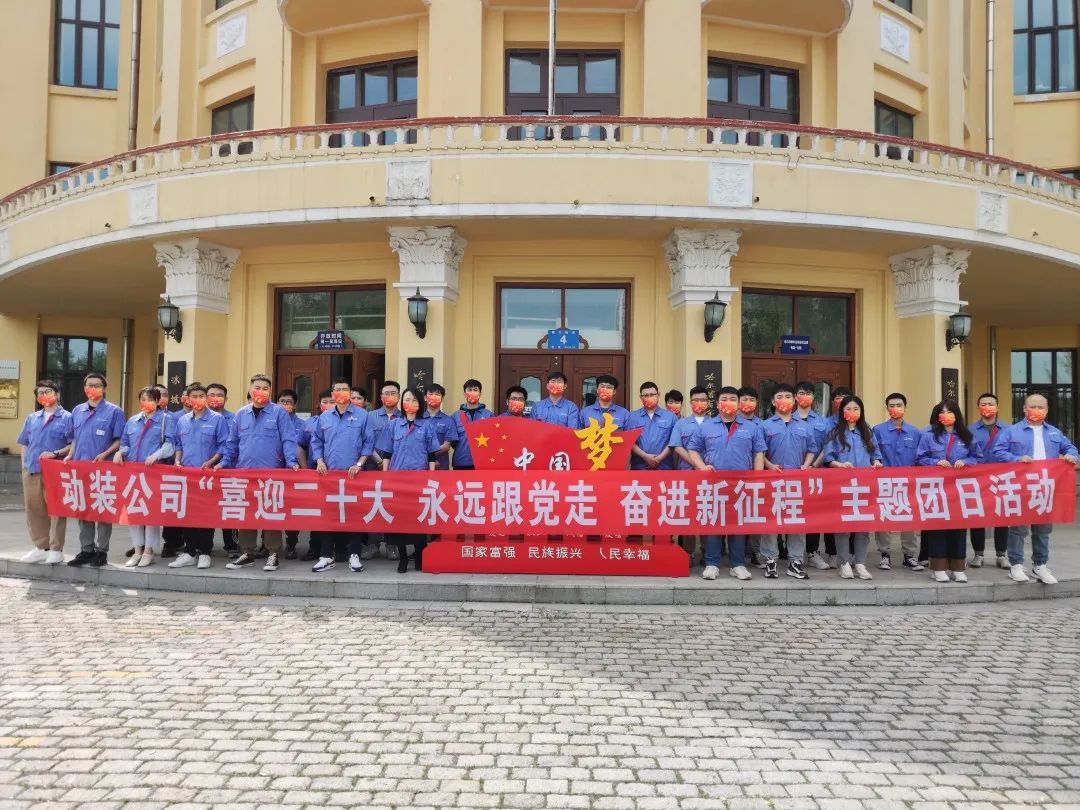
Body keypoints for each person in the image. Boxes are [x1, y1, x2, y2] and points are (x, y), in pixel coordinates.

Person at [992, 392, 1079, 584]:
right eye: (1033, 407)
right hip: (1020, 487)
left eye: (1041, 407)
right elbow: (997, 452)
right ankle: (1016, 564)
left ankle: (1040, 565)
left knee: (1043, 529)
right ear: (1024, 409)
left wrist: (1071, 456)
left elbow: (1071, 449)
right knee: (1018, 528)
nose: (1037, 410)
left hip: (1045, 487)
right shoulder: (1012, 432)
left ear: (1046, 411)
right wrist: (1017, 459)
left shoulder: (1054, 433)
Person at [687, 386, 766, 581]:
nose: (728, 402)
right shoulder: (706, 426)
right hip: (714, 483)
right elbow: (692, 449)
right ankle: (712, 564)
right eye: (724, 399)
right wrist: (702, 467)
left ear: (739, 403)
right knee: (714, 523)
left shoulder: (752, 427)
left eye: (732, 399)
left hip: (741, 484)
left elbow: (759, 453)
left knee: (738, 525)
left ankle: (737, 564)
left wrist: (757, 479)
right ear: (717, 403)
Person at [222, 374, 300, 572]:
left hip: (271, 472)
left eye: (265, 388)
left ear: (270, 392)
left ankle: (273, 553)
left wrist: (291, 461)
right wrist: (224, 463)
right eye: (257, 387)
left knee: (270, 512)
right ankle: (247, 552)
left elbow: (288, 439)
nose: (261, 391)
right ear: (250, 390)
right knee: (246, 512)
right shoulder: (241, 414)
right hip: (245, 472)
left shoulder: (279, 413)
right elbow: (232, 443)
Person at [62, 372, 125, 568]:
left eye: (97, 385)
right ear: (84, 388)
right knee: (83, 509)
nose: (93, 388)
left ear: (104, 389)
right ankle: (86, 550)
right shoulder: (77, 411)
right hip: (80, 468)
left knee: (103, 509)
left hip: (103, 470)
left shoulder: (114, 411)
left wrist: (105, 453)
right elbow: (74, 438)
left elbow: (120, 440)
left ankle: (101, 551)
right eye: (90, 385)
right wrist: (70, 455)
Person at [310, 378, 373, 574]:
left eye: (345, 389)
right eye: (337, 389)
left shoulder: (362, 415)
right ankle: (326, 556)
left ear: (350, 393)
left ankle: (354, 555)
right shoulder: (324, 417)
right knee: (328, 516)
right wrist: (319, 460)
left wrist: (359, 464)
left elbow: (368, 443)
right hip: (329, 475)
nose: (341, 393)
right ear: (332, 393)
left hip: (353, 475)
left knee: (354, 515)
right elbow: (316, 441)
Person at [376, 387, 439, 573]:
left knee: (419, 520)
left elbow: (431, 454)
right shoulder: (394, 425)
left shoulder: (426, 426)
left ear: (420, 404)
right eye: (407, 399)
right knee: (400, 520)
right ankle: (403, 558)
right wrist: (385, 475)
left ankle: (419, 556)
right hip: (398, 480)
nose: (410, 403)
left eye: (414, 400)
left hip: (419, 480)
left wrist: (431, 476)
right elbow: (387, 452)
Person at [168, 383, 229, 570]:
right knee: (187, 515)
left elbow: (224, 445)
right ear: (187, 399)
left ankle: (204, 552)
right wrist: (177, 460)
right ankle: (189, 552)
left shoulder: (217, 419)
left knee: (205, 515)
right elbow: (179, 444)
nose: (197, 400)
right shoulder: (182, 420)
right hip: (186, 475)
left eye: (201, 396)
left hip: (207, 476)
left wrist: (211, 462)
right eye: (193, 396)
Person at [916, 400, 978, 583]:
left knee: (958, 527)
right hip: (936, 489)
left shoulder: (967, 436)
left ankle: (958, 567)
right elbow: (919, 458)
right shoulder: (928, 435)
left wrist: (966, 462)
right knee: (938, 527)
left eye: (950, 412)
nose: (946, 415)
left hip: (959, 490)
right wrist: (935, 462)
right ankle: (938, 567)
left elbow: (978, 458)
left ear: (956, 414)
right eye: (942, 412)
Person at [821, 394, 882, 580]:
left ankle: (860, 563)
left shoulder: (867, 431)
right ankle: (844, 563)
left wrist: (876, 462)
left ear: (861, 412)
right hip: (843, 485)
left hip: (864, 485)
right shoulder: (834, 432)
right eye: (848, 409)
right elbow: (828, 458)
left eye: (856, 409)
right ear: (841, 411)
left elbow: (876, 454)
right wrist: (839, 465)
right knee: (843, 526)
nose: (852, 412)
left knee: (863, 526)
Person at [115, 386, 177, 568]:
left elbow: (171, 445)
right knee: (134, 512)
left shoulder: (166, 419)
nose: (146, 402)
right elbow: (125, 443)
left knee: (150, 514)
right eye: (143, 399)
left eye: (150, 399)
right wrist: (120, 452)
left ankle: (149, 551)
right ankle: (137, 550)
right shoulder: (132, 421)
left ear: (158, 401)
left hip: (153, 473)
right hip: (133, 474)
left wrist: (156, 455)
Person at [760, 384, 816, 580]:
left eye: (787, 396)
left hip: (796, 482)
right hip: (772, 481)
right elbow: (759, 452)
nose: (783, 400)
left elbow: (812, 449)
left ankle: (795, 562)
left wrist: (806, 465)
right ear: (773, 401)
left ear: (794, 401)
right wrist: (769, 465)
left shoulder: (804, 426)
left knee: (796, 522)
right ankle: (770, 560)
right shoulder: (765, 426)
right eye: (780, 396)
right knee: (771, 522)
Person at [16, 379, 74, 565]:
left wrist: (56, 453)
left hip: (54, 472)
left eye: (47, 391)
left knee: (56, 510)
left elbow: (73, 444)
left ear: (57, 394)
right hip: (32, 471)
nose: (44, 395)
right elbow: (24, 443)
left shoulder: (67, 418)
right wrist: (24, 466)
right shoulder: (32, 418)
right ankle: (41, 547)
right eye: (40, 393)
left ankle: (56, 549)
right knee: (34, 510)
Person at [870, 392, 925, 572]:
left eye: (899, 405)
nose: (896, 409)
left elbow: (920, 457)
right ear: (887, 409)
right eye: (892, 406)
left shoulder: (915, 432)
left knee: (909, 518)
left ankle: (909, 556)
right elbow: (873, 453)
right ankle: (885, 555)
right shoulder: (878, 430)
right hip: (885, 482)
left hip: (908, 483)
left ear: (905, 408)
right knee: (884, 518)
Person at [794, 381, 834, 570]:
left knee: (813, 514)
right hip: (791, 473)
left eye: (808, 393)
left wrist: (813, 465)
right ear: (795, 396)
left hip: (815, 474)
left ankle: (812, 552)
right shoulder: (787, 419)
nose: (805, 396)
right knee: (791, 511)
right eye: (801, 393)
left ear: (813, 397)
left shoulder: (822, 422)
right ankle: (790, 553)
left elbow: (827, 447)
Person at [968, 392, 1010, 569]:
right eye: (983, 404)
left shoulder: (1008, 429)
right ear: (978, 408)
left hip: (1001, 478)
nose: (987, 407)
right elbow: (966, 453)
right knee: (977, 517)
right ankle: (978, 554)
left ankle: (1002, 555)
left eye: (991, 404)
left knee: (1002, 517)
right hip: (977, 479)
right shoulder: (969, 430)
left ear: (997, 407)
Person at [668, 387, 709, 563]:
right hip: (687, 475)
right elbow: (677, 447)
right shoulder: (681, 424)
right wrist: (697, 464)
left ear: (708, 402)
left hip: (709, 476)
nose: (699, 403)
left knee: (707, 515)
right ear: (690, 402)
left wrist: (703, 467)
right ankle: (688, 552)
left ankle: (708, 553)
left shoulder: (715, 423)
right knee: (689, 515)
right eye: (696, 400)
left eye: (703, 400)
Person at [368, 380, 403, 561]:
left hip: (396, 470)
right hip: (374, 468)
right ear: (380, 397)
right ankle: (373, 545)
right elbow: (366, 442)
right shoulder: (370, 417)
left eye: (393, 393)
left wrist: (390, 464)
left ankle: (392, 545)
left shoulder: (404, 417)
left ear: (399, 396)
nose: (389, 396)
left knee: (393, 507)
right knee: (374, 506)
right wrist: (380, 461)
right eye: (386, 393)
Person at [298, 389, 334, 561]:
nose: (328, 405)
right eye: (325, 402)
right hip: (317, 475)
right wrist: (306, 469)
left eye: (332, 402)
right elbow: (300, 445)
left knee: (338, 512)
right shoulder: (311, 422)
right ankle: (315, 549)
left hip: (338, 475)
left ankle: (340, 549)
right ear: (319, 404)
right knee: (319, 514)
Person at [207, 382, 240, 558]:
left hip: (228, 470)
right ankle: (205, 546)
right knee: (207, 509)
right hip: (206, 471)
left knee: (230, 508)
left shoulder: (234, 418)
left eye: (219, 395)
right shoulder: (199, 418)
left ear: (226, 399)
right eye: (211, 395)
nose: (215, 398)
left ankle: (232, 546)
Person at [277, 388, 309, 560]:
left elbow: (304, 448)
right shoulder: (272, 421)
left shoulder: (302, 425)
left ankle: (291, 545)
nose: (285, 405)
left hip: (294, 473)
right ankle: (268, 546)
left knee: (291, 511)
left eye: (288, 402)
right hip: (274, 471)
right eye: (282, 401)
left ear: (295, 405)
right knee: (271, 507)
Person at [625, 381, 675, 471]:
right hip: (639, 468)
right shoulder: (632, 416)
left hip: (664, 468)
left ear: (658, 395)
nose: (649, 398)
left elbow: (674, 441)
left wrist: (658, 459)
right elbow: (629, 441)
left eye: (652, 395)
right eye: (646, 395)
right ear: (641, 397)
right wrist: (645, 456)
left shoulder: (670, 417)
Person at [453, 379, 494, 470]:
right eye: (469, 390)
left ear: (480, 393)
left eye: (475, 390)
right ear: (464, 394)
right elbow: (453, 442)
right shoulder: (455, 416)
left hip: (483, 462)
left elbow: (493, 439)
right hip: (461, 462)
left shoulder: (489, 415)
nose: (472, 392)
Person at [419, 383, 458, 470]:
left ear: (442, 398)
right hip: (420, 467)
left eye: (437, 394)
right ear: (425, 397)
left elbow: (446, 446)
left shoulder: (448, 420)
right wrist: (428, 458)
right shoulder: (418, 419)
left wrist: (428, 456)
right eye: (431, 394)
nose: (434, 397)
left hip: (441, 468)